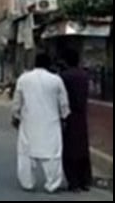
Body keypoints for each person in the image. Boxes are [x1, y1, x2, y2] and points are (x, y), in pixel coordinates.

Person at [11, 54, 70, 193]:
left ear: (34, 63)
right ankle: (52, 184)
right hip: (51, 123)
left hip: (29, 122)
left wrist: (15, 116)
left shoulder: (23, 79)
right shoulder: (56, 80)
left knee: (26, 154)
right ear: (49, 64)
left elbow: (16, 102)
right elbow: (64, 103)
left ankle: (27, 183)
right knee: (53, 155)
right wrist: (64, 117)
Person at [59, 50, 92, 192]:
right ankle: (84, 181)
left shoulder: (64, 76)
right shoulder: (84, 76)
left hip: (69, 115)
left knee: (69, 149)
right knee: (82, 148)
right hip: (82, 116)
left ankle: (73, 182)